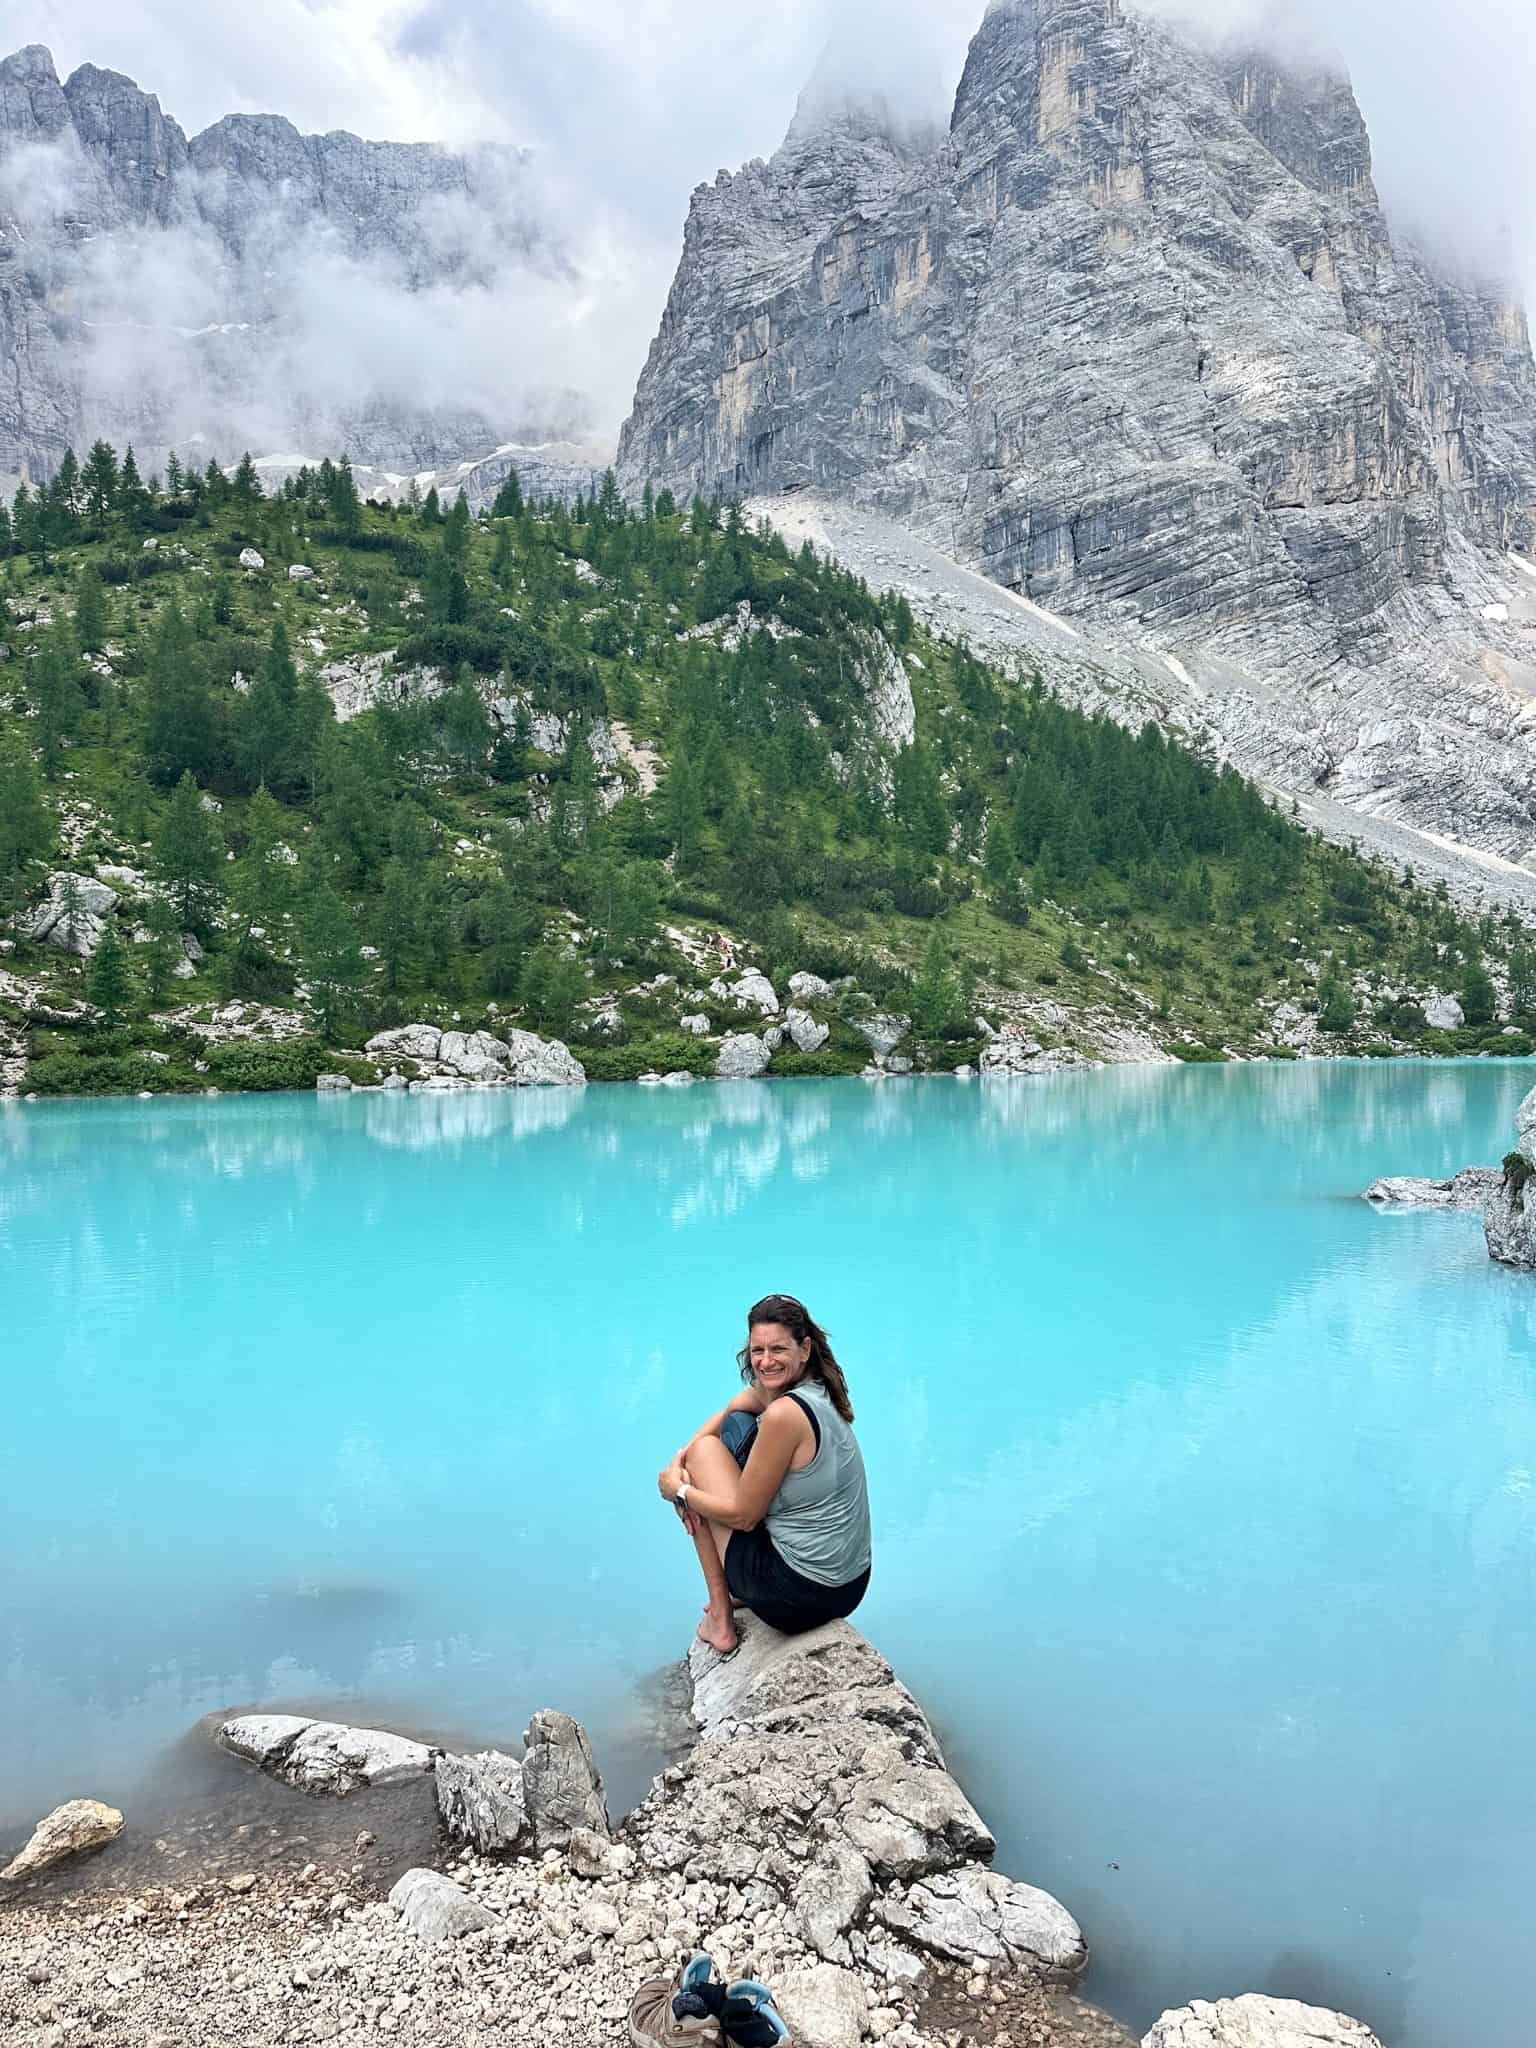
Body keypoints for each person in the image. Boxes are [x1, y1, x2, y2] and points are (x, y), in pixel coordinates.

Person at [657, 1293, 871, 1655]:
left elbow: (744, 1517)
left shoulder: (784, 1415)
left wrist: (680, 1492)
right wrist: (680, 1462)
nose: (766, 1361)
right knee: (722, 1435)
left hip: (799, 1597)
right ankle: (736, 1592)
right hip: (848, 1587)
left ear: (804, 1349)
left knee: (706, 1455)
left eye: (777, 1350)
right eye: (758, 1351)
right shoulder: (815, 1385)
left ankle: (720, 1617)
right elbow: (734, 1408)